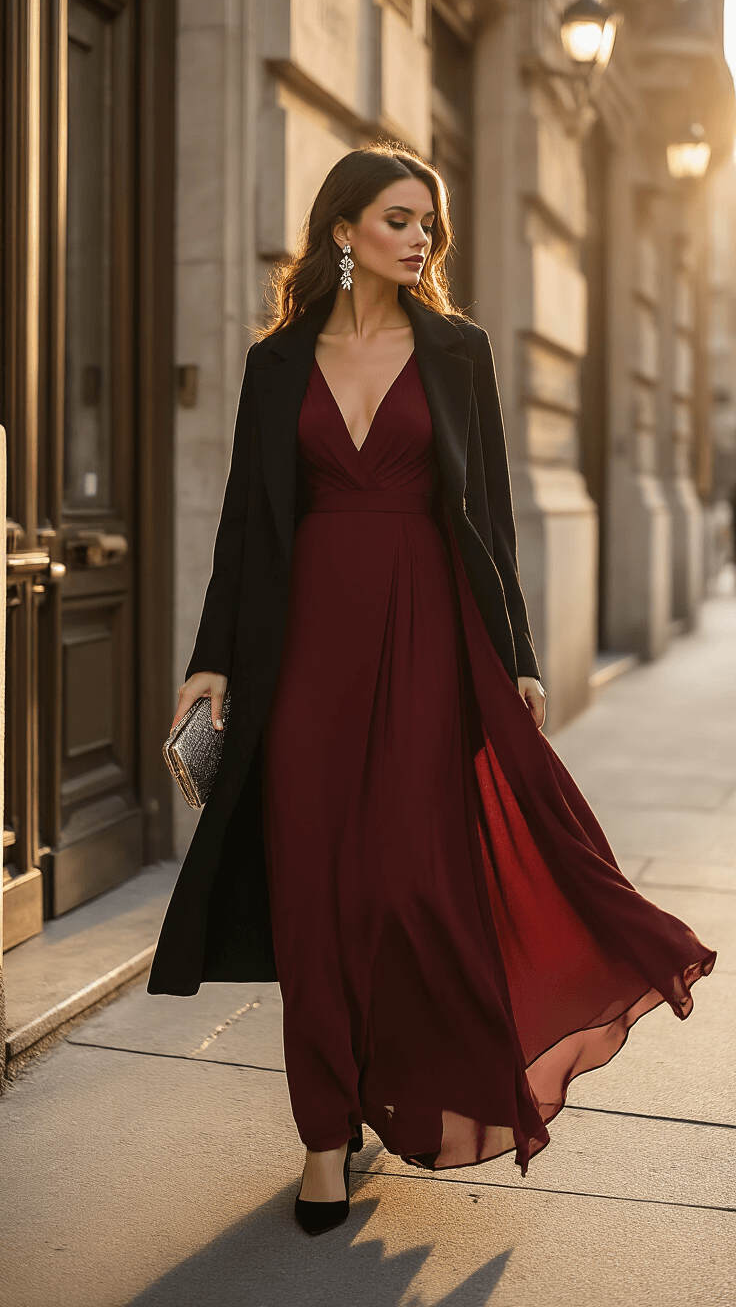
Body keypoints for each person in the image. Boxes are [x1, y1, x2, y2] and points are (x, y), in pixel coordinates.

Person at [148, 144, 715, 1237]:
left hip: (429, 640)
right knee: (314, 892)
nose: (420, 241)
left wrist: (517, 655)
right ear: (344, 229)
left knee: (404, 887)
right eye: (400, 220)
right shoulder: (276, 366)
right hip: (305, 648)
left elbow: (489, 517)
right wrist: (212, 653)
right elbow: (243, 526)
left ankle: (394, 1078)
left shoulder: (459, 353)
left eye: (429, 229)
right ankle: (324, 1136)